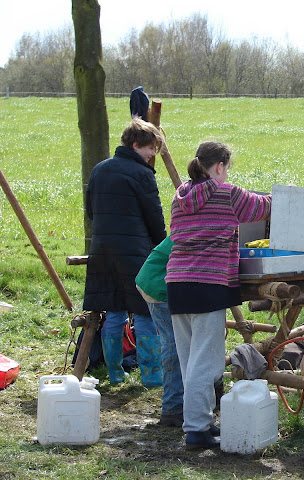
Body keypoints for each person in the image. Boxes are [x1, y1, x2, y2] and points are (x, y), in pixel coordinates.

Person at [165, 141, 272, 450]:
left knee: (189, 360)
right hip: (207, 283)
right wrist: (284, 193)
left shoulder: (180, 196)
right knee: (206, 362)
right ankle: (197, 430)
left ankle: (199, 422)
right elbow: (261, 207)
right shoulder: (228, 193)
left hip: (176, 282)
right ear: (220, 166)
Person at [83, 117, 166, 386]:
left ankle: (116, 373)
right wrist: (162, 247)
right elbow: (154, 216)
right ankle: (152, 375)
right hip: (134, 251)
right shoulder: (142, 175)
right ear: (135, 144)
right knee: (143, 310)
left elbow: (90, 211)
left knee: (114, 310)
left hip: (102, 249)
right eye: (150, 148)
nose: (153, 154)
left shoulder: (99, 170)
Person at [135, 236, 225, 427]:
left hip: (172, 280)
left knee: (196, 342)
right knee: (176, 344)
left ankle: (208, 397)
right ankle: (173, 408)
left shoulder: (203, 227)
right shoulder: (203, 231)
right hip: (159, 283)